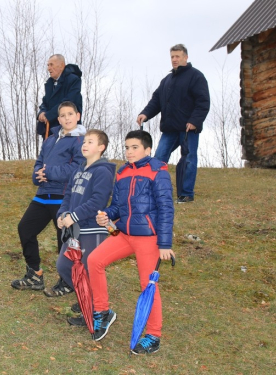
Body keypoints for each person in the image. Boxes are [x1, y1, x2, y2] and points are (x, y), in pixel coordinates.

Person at [87, 130, 175, 354]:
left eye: (134, 147)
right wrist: (106, 214)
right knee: (94, 260)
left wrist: (165, 244)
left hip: (149, 239)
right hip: (124, 234)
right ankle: (102, 312)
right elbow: (117, 206)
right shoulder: (123, 172)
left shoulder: (158, 171)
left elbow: (166, 208)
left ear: (147, 150)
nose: (129, 151)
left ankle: (154, 335)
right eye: (127, 147)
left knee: (148, 286)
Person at [11, 101, 86, 292]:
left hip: (63, 197)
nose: (66, 118)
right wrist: (38, 175)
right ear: (58, 118)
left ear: (77, 116)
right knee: (25, 229)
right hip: (43, 195)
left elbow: (77, 169)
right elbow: (39, 163)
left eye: (70, 114)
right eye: (62, 115)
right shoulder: (51, 139)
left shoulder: (82, 141)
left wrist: (50, 172)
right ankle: (34, 275)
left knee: (65, 239)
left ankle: (68, 281)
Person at [45, 129, 116, 299]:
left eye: (90, 142)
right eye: (84, 142)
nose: (84, 145)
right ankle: (85, 298)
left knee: (89, 270)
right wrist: (62, 215)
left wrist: (73, 216)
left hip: (92, 229)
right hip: (73, 230)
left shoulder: (103, 171)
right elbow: (68, 195)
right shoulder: (78, 170)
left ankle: (95, 308)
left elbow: (97, 202)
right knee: (63, 265)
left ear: (101, 147)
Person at [137, 44, 210, 204]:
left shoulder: (196, 77)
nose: (174, 59)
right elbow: (156, 100)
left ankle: (186, 194)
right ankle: (153, 192)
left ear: (186, 57)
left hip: (188, 129)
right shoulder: (167, 80)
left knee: (189, 159)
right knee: (158, 158)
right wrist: (145, 113)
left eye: (177, 56)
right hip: (169, 129)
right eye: (172, 57)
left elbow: (203, 102)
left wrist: (194, 121)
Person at [37, 54, 82, 139]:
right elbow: (45, 102)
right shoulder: (49, 83)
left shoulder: (73, 80)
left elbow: (69, 102)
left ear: (61, 66)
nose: (48, 68)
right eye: (48, 65)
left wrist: (49, 115)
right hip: (50, 132)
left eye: (51, 65)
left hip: (67, 130)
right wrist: (42, 112)